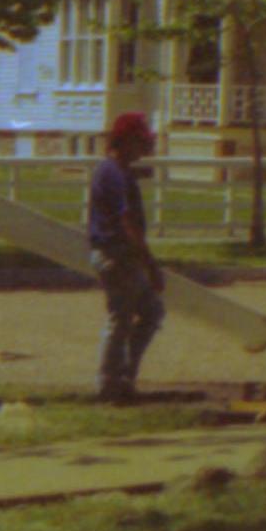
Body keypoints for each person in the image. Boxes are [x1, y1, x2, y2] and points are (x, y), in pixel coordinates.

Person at [87, 110, 164, 403]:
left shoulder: (116, 171)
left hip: (118, 255)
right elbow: (128, 223)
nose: (144, 148)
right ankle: (109, 384)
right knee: (120, 319)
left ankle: (123, 376)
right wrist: (151, 265)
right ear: (126, 140)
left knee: (150, 312)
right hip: (116, 255)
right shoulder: (114, 173)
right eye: (140, 141)